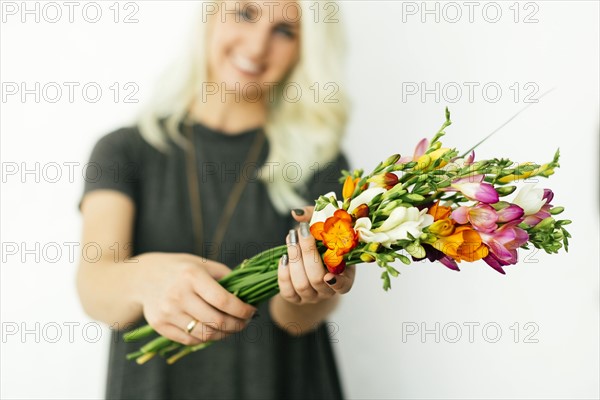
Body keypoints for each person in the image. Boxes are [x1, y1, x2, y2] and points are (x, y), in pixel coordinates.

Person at [76, 1, 355, 398]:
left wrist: (310, 290)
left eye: (284, 31)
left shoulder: (321, 162)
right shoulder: (125, 150)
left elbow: (294, 320)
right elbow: (95, 285)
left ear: (304, 49)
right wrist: (144, 279)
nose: (258, 46)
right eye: (245, 13)